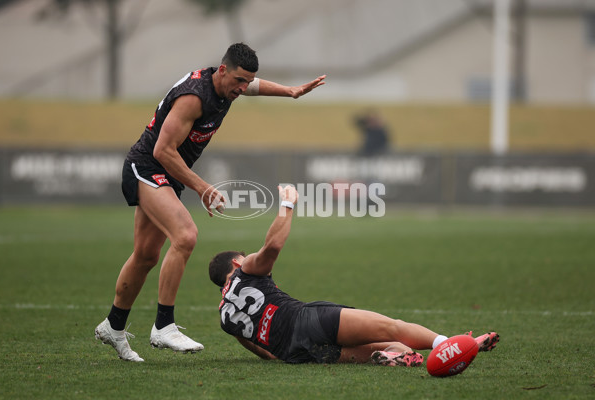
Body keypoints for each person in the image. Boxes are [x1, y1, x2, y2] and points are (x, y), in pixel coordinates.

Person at [95, 43, 326, 362]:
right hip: (147, 167)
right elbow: (162, 150)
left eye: (247, 82)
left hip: (165, 175)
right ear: (222, 71)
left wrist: (292, 91)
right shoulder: (194, 97)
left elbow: (253, 85)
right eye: (239, 81)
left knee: (146, 255)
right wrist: (203, 187)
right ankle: (163, 326)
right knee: (185, 235)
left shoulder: (228, 84)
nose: (243, 88)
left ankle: (113, 326)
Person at [208, 185, 499, 366]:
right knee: (392, 328)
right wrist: (287, 203)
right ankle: (451, 344)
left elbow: (266, 353)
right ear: (236, 261)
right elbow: (272, 246)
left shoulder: (224, 318)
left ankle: (397, 356)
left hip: (295, 354)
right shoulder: (245, 271)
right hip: (307, 321)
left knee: (386, 347)